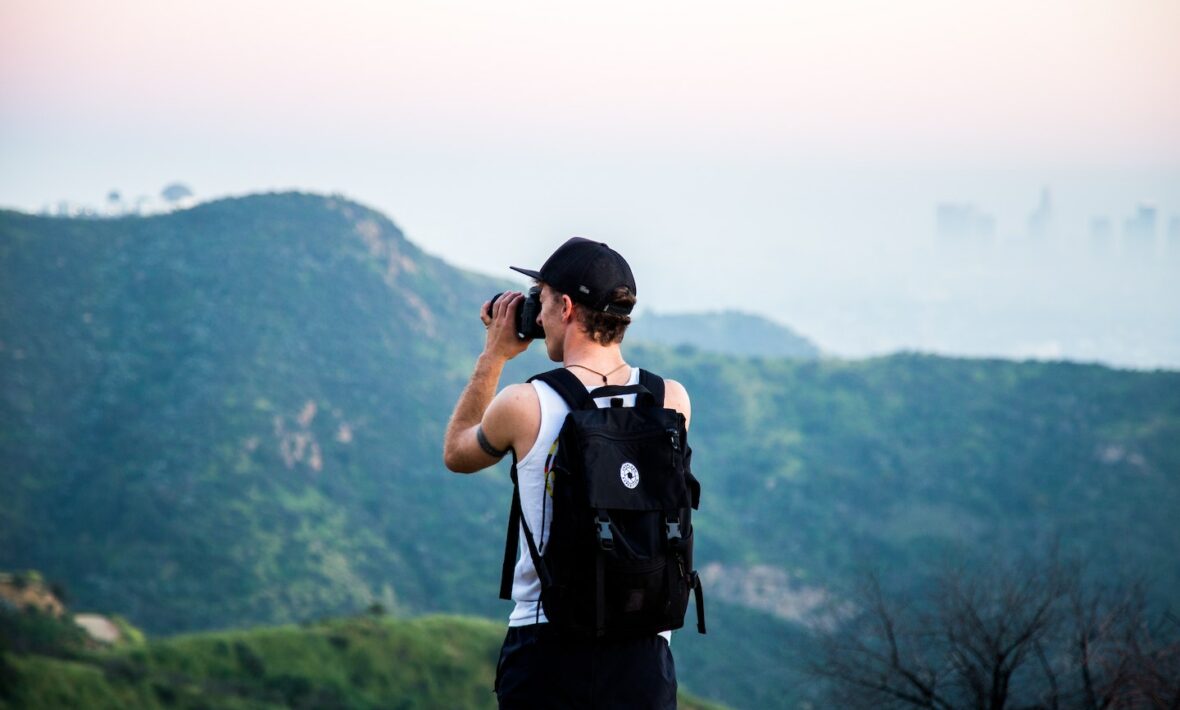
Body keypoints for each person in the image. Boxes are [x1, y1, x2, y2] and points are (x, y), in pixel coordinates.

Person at [443, 237, 692, 709]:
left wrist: (493, 356)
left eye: (542, 300)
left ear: (567, 307)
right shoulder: (672, 401)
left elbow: (457, 453)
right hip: (645, 654)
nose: (536, 316)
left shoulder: (524, 403)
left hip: (548, 650)